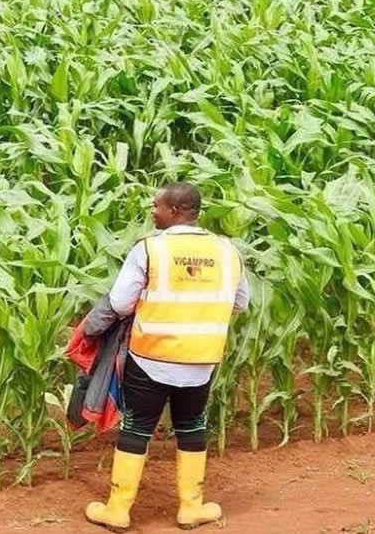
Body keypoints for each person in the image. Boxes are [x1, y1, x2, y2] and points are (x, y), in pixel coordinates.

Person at [85, 182, 249, 532]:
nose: (152, 210)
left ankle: (118, 510)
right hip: (201, 359)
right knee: (192, 426)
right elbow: (240, 302)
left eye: (156, 205)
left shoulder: (150, 249)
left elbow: (119, 303)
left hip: (152, 355)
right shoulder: (226, 251)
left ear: (175, 211)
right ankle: (191, 507)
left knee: (137, 427)